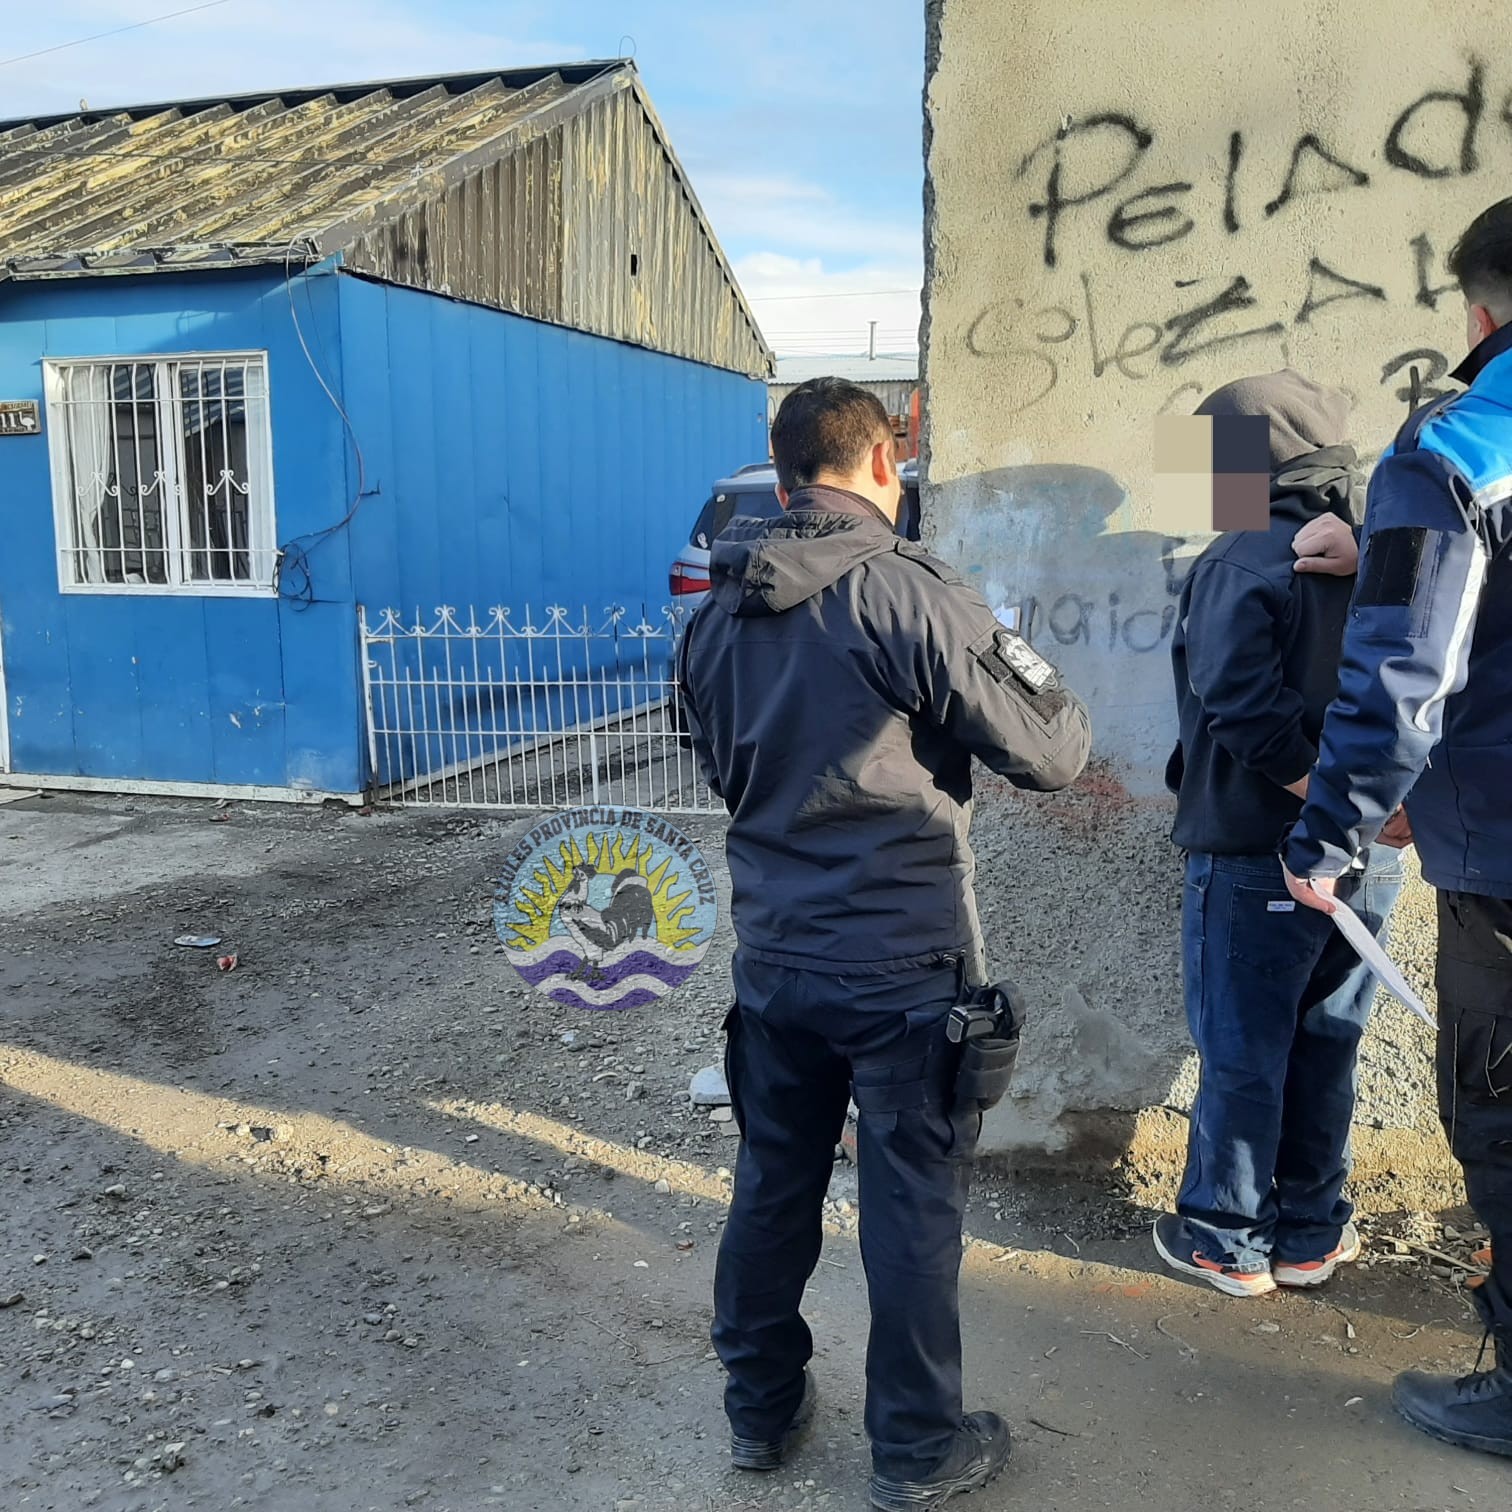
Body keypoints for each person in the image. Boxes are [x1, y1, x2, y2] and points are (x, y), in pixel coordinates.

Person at [676, 377, 1091, 1510]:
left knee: (773, 1182)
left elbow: (719, 763)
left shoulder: (714, 614)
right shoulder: (911, 594)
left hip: (775, 962)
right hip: (904, 966)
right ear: (882, 464)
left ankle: (759, 1413)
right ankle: (914, 1449)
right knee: (910, 1202)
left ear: (780, 474)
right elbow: (1053, 747)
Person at [1282, 198, 1512, 1457]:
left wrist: (1327, 836)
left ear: (1479, 313)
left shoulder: (1462, 445)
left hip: (1505, 867)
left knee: (1504, 1116)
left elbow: (1398, 678)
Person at [1154, 372, 1407, 1298]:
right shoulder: (1392, 550)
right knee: (1327, 1045)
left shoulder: (1241, 556)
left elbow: (1239, 707)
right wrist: (1370, 809)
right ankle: (1308, 1235)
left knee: (1244, 1051)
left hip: (1260, 846)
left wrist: (1318, 798)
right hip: (1368, 854)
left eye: (1209, 456)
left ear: (1244, 456)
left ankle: (1226, 1236)